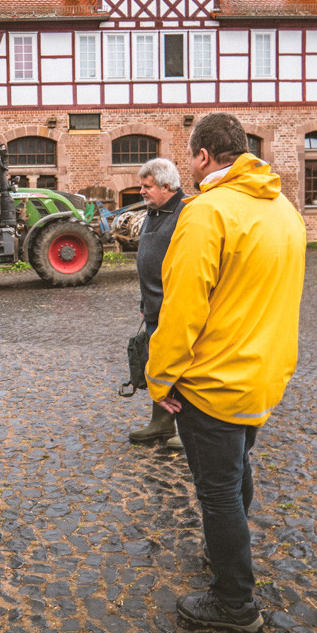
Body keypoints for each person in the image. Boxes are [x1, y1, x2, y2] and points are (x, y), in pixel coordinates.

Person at [145, 113, 306, 633]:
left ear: (203, 157)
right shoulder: (284, 210)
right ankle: (226, 555)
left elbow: (181, 309)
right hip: (262, 376)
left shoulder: (207, 212)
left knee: (216, 491)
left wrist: (160, 378)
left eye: (192, 156)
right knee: (236, 474)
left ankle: (235, 602)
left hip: (213, 383)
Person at [128, 158, 186, 448]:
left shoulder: (186, 213)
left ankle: (187, 431)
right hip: (152, 306)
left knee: (182, 370)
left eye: (146, 186)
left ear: (167, 186)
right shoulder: (154, 211)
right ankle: (161, 424)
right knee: (157, 365)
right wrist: (144, 300)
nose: (141, 191)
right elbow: (149, 259)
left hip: (175, 308)